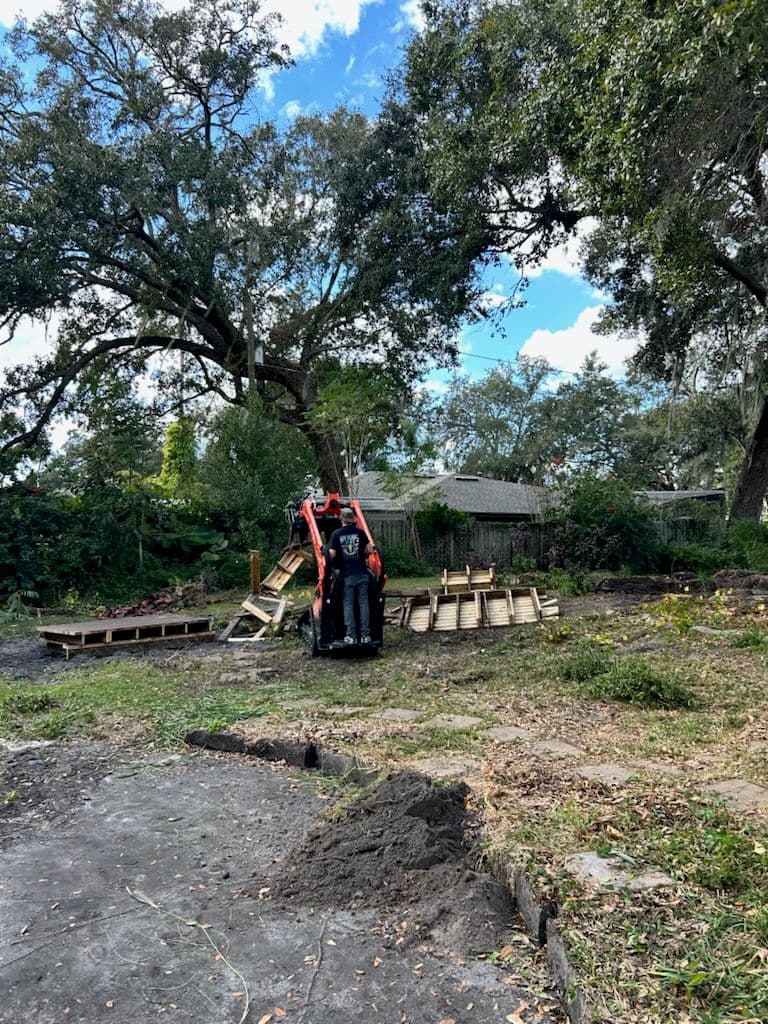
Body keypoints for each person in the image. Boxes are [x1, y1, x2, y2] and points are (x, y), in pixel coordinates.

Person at [327, 507, 375, 644]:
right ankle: (366, 636)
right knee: (363, 603)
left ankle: (351, 636)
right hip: (362, 572)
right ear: (352, 520)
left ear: (341, 520)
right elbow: (369, 550)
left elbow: (332, 554)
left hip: (347, 575)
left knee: (348, 603)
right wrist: (366, 552)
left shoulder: (336, 534)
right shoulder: (360, 533)